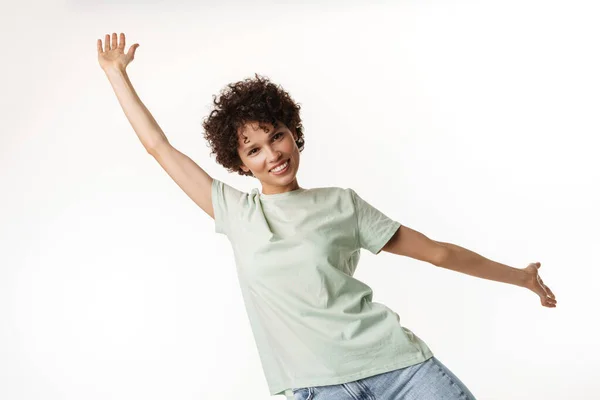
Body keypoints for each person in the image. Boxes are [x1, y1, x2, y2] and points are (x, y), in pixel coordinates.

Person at [97, 32, 557, 400]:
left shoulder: (342, 204)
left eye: (276, 137)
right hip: (318, 388)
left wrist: (520, 277)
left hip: (403, 372)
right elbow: (159, 147)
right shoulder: (236, 211)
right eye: (254, 149)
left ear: (292, 134)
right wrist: (117, 74)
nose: (272, 154)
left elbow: (436, 253)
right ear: (240, 163)